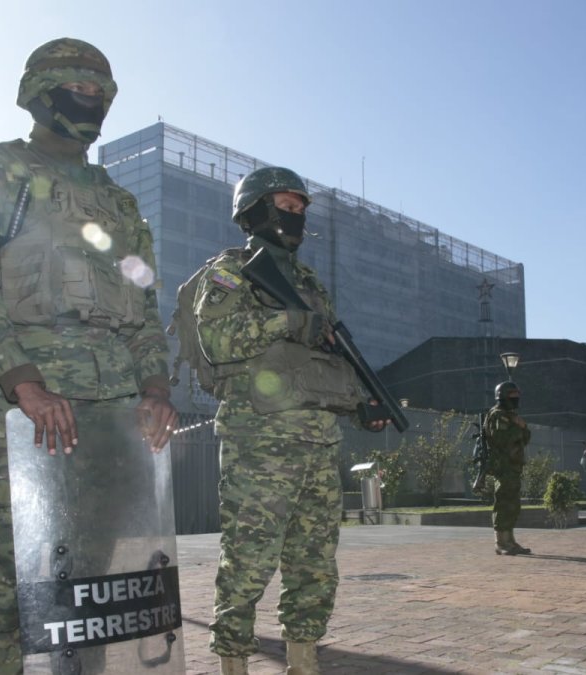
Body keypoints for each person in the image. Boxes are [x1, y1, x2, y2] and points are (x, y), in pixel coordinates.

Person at [0, 38, 178, 673]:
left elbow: (143, 304)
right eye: (78, 88)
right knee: (19, 572)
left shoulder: (118, 203)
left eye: (100, 92)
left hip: (113, 411)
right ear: (41, 93)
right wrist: (24, 383)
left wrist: (155, 387)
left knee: (97, 579)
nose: (90, 101)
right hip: (26, 410)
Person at [192, 166, 388, 674]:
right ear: (254, 210)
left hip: (318, 443)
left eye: (301, 209)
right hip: (259, 439)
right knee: (249, 560)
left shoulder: (307, 281)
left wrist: (360, 403)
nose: (295, 215)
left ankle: (304, 659)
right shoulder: (231, 268)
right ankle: (233, 660)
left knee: (314, 564)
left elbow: (322, 358)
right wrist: (288, 320)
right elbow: (216, 340)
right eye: (285, 205)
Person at [484, 381, 531, 555]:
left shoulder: (510, 416)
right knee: (503, 503)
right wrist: (519, 427)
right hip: (503, 466)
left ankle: (511, 541)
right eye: (512, 397)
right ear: (502, 396)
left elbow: (527, 437)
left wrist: (522, 427)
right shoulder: (497, 415)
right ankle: (501, 542)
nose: (516, 400)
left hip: (513, 465)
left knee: (513, 505)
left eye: (517, 396)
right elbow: (501, 438)